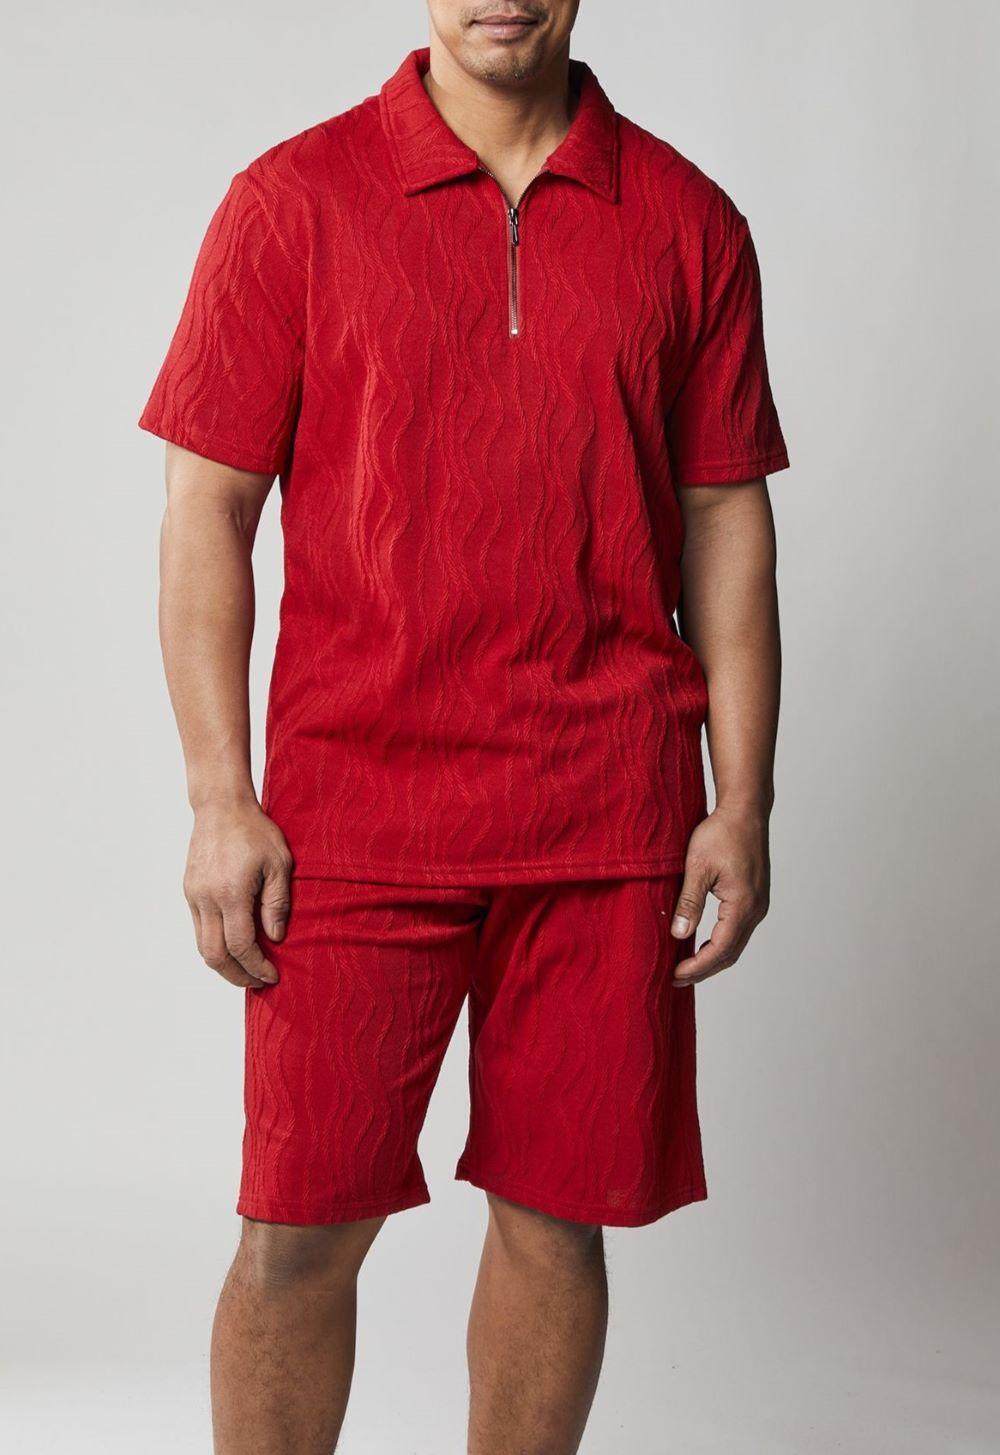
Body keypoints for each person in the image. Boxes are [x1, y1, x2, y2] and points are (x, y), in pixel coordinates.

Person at [139, 2, 789, 1450]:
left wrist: (740, 802)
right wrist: (218, 798)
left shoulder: (686, 219)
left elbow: (724, 519)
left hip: (608, 808)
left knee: (559, 1223)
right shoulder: (291, 200)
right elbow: (207, 512)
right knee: (300, 1230)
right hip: (352, 813)